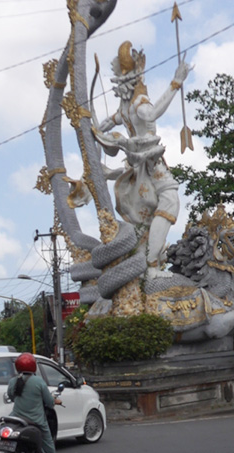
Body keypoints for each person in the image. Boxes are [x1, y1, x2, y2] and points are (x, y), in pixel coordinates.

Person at [93, 41, 193, 278]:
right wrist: (176, 83)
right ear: (135, 75)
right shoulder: (138, 103)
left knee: (146, 219)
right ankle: (151, 267)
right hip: (150, 164)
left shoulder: (124, 106)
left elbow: (108, 122)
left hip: (137, 167)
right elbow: (152, 113)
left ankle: (147, 264)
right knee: (169, 202)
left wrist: (95, 129)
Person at [7, 352, 65, 453]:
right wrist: (55, 401)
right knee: (48, 438)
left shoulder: (13, 381)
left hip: (16, 417)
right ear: (33, 366)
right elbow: (49, 402)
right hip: (35, 419)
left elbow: (11, 397)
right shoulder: (39, 382)